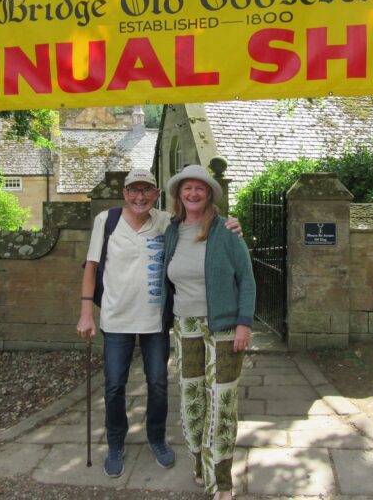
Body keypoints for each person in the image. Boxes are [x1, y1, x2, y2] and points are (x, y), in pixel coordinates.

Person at [76, 168, 241, 479]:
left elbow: (201, 225)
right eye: (134, 191)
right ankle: (115, 443)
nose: (140, 197)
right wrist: (86, 313)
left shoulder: (167, 222)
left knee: (158, 385)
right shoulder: (107, 221)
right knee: (113, 386)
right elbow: (91, 266)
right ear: (125, 194)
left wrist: (231, 226)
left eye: (146, 191)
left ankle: (156, 439)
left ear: (156, 194)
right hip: (115, 319)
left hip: (155, 322)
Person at [160, 164, 256, 500]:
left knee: (222, 403)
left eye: (200, 188)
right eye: (187, 188)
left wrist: (244, 322)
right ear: (179, 195)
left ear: (209, 194)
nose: (193, 194)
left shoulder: (226, 231)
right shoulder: (171, 230)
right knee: (192, 400)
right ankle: (200, 464)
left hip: (225, 328)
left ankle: (223, 482)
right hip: (185, 327)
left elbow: (247, 278)